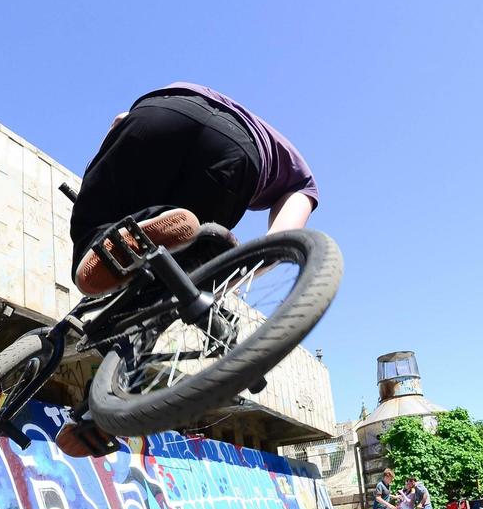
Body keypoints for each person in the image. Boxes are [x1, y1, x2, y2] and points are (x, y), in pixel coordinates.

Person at [56, 83, 319, 458]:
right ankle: (94, 418)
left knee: (95, 224)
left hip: (163, 112)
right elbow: (280, 242)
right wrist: (226, 278)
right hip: (238, 153)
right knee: (159, 299)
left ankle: (110, 240)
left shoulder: (193, 94)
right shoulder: (301, 176)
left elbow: (118, 124)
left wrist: (103, 190)